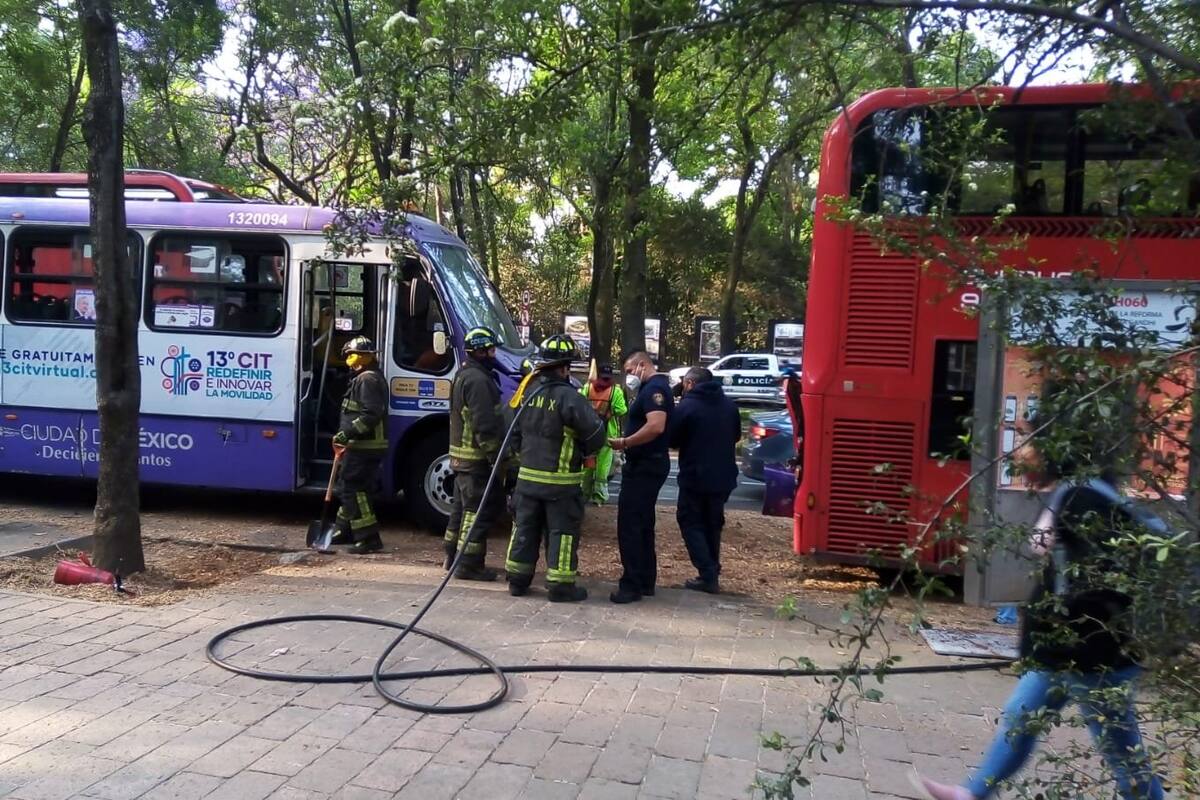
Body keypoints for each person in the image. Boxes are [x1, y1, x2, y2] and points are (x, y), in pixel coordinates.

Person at [913, 414, 1164, 800]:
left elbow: (1098, 583)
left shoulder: (1083, 498)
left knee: (1123, 757)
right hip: (1065, 654)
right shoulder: (1080, 493)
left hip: (1090, 658)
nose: (1023, 453)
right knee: (1020, 720)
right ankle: (971, 794)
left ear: (1054, 450)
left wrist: (1062, 637)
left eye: (1030, 443)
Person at [505, 335, 607, 602]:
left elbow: (512, 435)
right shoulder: (570, 398)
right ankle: (561, 587)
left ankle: (517, 580)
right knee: (562, 532)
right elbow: (596, 434)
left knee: (524, 529)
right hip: (560, 485)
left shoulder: (526, 392)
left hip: (527, 482)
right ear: (563, 368)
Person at [608, 350, 674, 604]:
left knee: (631, 525)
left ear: (641, 365)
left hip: (645, 465)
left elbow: (656, 425)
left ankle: (632, 584)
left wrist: (625, 442)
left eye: (628, 371)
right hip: (647, 463)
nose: (628, 377)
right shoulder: (654, 388)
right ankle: (645, 579)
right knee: (643, 523)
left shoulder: (654, 390)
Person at [669, 366, 740, 594]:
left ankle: (707, 572)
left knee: (689, 521)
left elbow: (672, 438)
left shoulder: (687, 406)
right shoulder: (730, 406)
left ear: (690, 383)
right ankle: (711, 572)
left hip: (695, 475)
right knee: (713, 523)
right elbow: (737, 436)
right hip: (724, 476)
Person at [444, 326, 507, 581]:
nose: (494, 354)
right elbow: (485, 425)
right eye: (491, 349)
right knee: (477, 512)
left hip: (462, 459)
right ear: (480, 351)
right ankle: (469, 564)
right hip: (476, 460)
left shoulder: (463, 375)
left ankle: (452, 554)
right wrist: (496, 459)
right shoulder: (479, 381)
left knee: (460, 510)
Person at [329, 336, 389, 554]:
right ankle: (344, 530)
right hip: (359, 446)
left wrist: (347, 433)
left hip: (365, 446)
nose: (348, 359)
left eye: (350, 355)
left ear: (363, 358)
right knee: (347, 488)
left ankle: (368, 537)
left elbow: (371, 414)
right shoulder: (364, 378)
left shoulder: (367, 380)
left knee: (354, 490)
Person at [580, 363, 628, 506]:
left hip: (588, 434)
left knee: (588, 465)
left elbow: (579, 406)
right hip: (607, 435)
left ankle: (583, 494)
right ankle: (599, 497)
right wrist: (609, 412)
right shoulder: (615, 391)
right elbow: (622, 410)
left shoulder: (587, 388)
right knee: (603, 467)